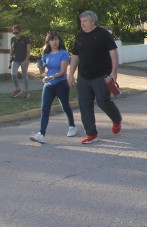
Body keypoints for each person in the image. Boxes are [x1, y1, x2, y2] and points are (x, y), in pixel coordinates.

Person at [69, 11, 123, 144]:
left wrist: (114, 72)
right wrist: (70, 74)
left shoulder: (103, 34)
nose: (82, 23)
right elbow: (75, 56)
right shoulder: (79, 36)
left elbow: (113, 53)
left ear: (93, 21)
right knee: (84, 105)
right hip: (83, 77)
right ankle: (91, 134)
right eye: (81, 21)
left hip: (101, 76)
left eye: (85, 21)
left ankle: (116, 119)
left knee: (103, 102)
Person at [29, 32, 77, 144]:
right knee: (44, 109)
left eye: (56, 39)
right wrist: (40, 67)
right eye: (52, 40)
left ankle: (72, 126)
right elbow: (42, 72)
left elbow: (63, 71)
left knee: (65, 106)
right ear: (48, 42)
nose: (55, 42)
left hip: (61, 84)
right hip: (49, 85)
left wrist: (50, 77)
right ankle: (41, 134)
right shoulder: (46, 54)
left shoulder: (63, 53)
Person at [9, 25, 32, 99]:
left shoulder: (26, 39)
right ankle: (17, 89)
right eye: (14, 33)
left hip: (24, 59)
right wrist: (10, 59)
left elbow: (28, 50)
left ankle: (26, 91)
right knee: (13, 74)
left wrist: (26, 59)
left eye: (17, 32)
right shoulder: (12, 39)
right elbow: (12, 50)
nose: (15, 34)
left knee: (24, 75)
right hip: (15, 59)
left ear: (20, 31)